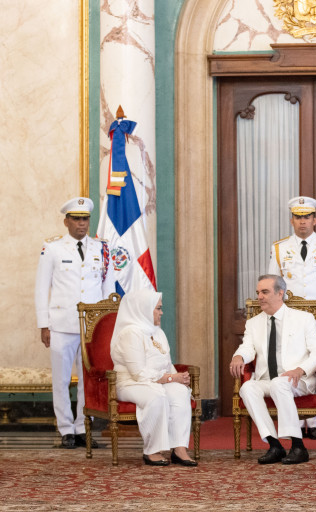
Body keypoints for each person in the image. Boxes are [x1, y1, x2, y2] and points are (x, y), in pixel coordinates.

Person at [35, 197, 116, 449]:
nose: (82, 224)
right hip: (61, 324)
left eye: (85, 219)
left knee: (89, 380)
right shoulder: (53, 249)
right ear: (66, 222)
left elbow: (108, 288)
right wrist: (44, 324)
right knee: (61, 380)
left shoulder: (101, 249)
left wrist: (106, 324)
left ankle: (83, 427)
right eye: (77, 219)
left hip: (92, 328)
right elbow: (41, 288)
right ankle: (65, 429)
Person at [268, 196, 316, 440]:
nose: (303, 222)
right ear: (291, 220)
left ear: (315, 219)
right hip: (288, 316)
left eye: (307, 217)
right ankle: (293, 418)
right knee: (289, 363)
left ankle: (313, 420)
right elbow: (272, 284)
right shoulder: (279, 248)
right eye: (298, 217)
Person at [229, 275, 316, 465]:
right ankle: (275, 445)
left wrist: (300, 370)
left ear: (280, 293)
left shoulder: (303, 319)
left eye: (265, 292)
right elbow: (247, 347)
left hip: (298, 380)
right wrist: (238, 356)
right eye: (258, 292)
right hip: (267, 379)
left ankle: (298, 447)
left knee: (279, 384)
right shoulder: (253, 323)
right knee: (247, 388)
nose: (260, 297)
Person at [110, 289, 197, 467]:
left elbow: (166, 363)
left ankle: (179, 449)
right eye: (158, 308)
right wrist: (171, 378)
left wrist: (179, 379)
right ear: (143, 308)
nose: (161, 312)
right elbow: (138, 373)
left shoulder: (157, 332)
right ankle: (152, 450)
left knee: (180, 392)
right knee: (156, 396)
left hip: (158, 380)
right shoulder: (130, 333)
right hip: (130, 383)